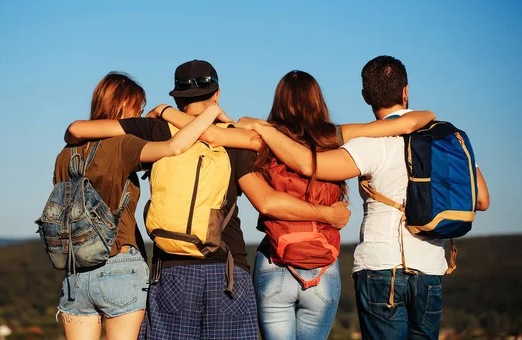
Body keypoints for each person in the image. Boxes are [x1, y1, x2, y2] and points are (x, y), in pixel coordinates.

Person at [64, 60, 351, 340]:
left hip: (171, 271)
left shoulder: (154, 128)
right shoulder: (233, 140)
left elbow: (78, 129)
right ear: (217, 94)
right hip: (226, 271)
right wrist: (325, 213)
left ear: (177, 98)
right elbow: (266, 202)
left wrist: (154, 116)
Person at [151, 69, 436, 340]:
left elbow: (209, 133)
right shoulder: (333, 137)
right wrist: (431, 115)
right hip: (322, 266)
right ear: (317, 101)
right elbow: (410, 122)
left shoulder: (260, 138)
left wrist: (165, 111)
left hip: (276, 261)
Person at [235, 56, 491, 340]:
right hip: (430, 266)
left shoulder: (368, 145)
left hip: (380, 265)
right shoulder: (448, 138)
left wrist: (265, 130)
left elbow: (309, 164)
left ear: (365, 96)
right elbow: (481, 200)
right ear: (406, 91)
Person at [54, 71, 236, 340]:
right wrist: (211, 114)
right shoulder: (123, 144)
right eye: (137, 108)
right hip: (120, 264)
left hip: (75, 271)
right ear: (124, 105)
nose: (139, 114)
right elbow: (174, 147)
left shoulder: (64, 154)